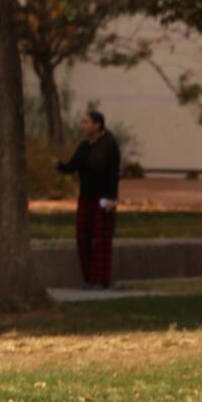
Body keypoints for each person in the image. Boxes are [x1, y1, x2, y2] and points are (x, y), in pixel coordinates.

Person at [56, 110, 122, 289]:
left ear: (97, 124)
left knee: (101, 239)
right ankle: (88, 278)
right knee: (83, 237)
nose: (83, 126)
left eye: (86, 123)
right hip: (86, 197)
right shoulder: (84, 146)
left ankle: (100, 279)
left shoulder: (109, 145)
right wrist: (60, 166)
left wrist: (111, 198)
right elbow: (72, 166)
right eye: (83, 123)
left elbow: (114, 173)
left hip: (103, 198)